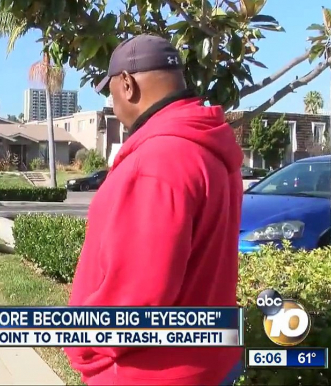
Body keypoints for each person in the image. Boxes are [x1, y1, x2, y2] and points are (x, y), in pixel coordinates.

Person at [64, 34, 245, 385]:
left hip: (150, 373)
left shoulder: (157, 162)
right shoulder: (210, 148)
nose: (113, 104)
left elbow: (135, 300)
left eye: (110, 91)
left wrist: (81, 341)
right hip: (207, 362)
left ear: (127, 85)